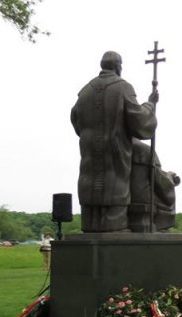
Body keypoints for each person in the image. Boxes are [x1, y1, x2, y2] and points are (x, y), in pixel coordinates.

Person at [71, 51, 160, 232]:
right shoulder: (123, 87)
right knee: (115, 217)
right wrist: (150, 104)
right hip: (114, 169)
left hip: (88, 171)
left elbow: (76, 121)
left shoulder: (84, 92)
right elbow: (140, 121)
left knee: (90, 215)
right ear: (118, 67)